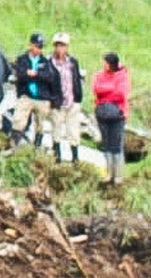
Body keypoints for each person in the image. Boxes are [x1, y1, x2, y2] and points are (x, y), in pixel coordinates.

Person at [44, 32, 85, 163]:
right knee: (56, 130)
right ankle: (57, 157)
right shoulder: (49, 63)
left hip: (72, 102)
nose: (60, 49)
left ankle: (75, 159)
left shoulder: (73, 62)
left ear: (67, 47)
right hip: (57, 103)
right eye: (57, 45)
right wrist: (50, 99)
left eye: (62, 46)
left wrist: (78, 97)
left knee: (73, 131)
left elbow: (76, 79)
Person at [9, 34, 55, 150]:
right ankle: (14, 144)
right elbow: (20, 74)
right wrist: (29, 74)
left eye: (40, 47)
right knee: (18, 120)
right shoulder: (22, 59)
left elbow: (49, 77)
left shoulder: (45, 61)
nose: (38, 49)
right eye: (36, 46)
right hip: (26, 95)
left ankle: (37, 146)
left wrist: (35, 74)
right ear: (30, 45)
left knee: (40, 124)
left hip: (42, 97)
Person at [91, 52, 130, 185]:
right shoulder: (99, 75)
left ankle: (118, 175)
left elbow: (121, 94)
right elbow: (96, 89)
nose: (104, 65)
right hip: (102, 115)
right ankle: (109, 174)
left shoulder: (122, 76)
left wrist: (105, 95)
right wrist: (110, 89)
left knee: (116, 145)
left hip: (117, 115)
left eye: (106, 62)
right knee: (106, 144)